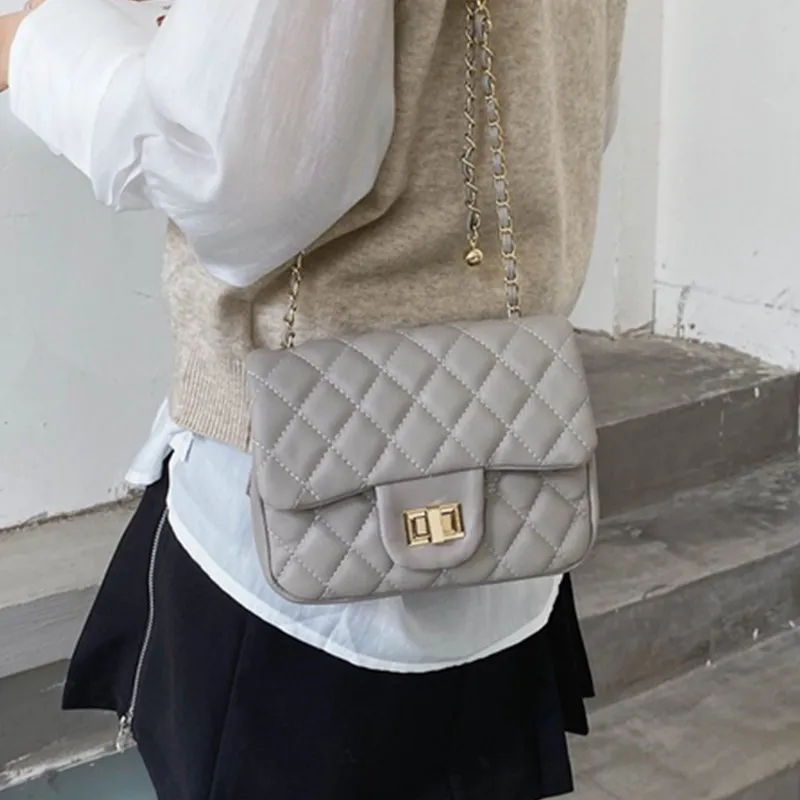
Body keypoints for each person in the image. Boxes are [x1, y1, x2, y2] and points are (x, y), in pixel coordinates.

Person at [1, 1, 626, 797]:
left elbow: (229, 174)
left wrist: (31, 44)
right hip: (505, 475)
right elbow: (571, 111)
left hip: (291, 536)